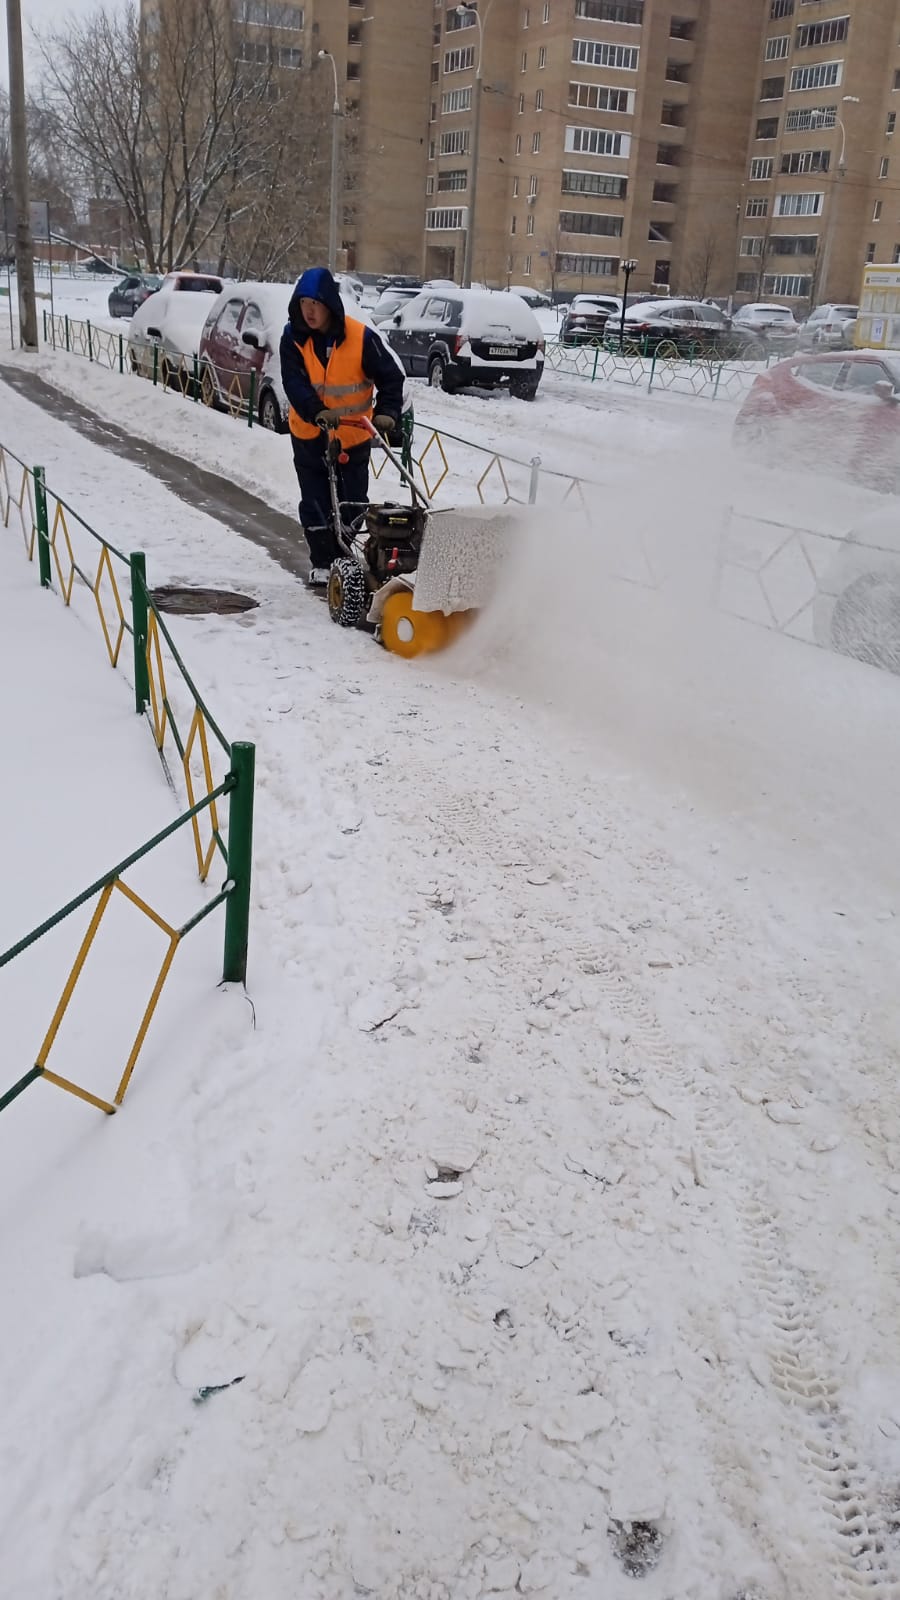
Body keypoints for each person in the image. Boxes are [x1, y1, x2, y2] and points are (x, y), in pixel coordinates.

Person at [280, 266, 404, 584]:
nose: (309, 310)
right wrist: (316, 410)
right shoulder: (292, 339)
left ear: (330, 304)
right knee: (316, 501)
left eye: (316, 303)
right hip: (309, 434)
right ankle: (323, 562)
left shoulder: (361, 338)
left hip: (352, 436)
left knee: (353, 502)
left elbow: (391, 377)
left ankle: (343, 554)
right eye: (304, 302)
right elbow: (294, 383)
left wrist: (388, 412)